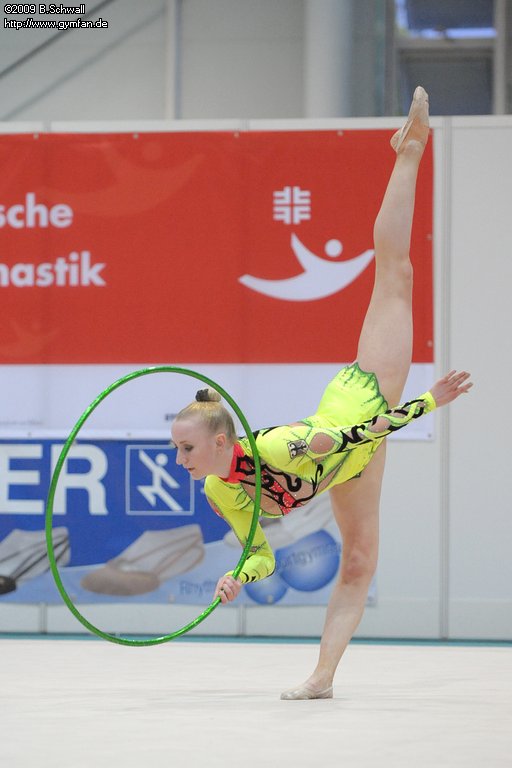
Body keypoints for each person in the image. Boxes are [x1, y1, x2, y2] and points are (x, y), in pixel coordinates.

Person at [171, 86, 472, 699]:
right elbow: (261, 554)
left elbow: (367, 430)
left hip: (368, 398)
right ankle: (323, 678)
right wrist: (238, 576)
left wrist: (429, 401)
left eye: (186, 448)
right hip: (350, 464)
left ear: (221, 441)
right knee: (358, 563)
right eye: (177, 449)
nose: (179, 460)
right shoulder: (218, 488)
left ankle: (410, 151)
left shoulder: (280, 446)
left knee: (397, 272)